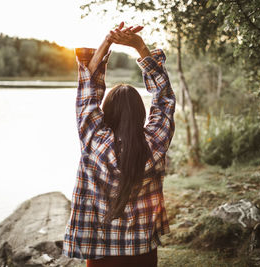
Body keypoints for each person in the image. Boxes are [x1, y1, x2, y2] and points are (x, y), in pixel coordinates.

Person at [62, 22, 176, 267]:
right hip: (142, 251)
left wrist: (106, 42)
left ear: (107, 113)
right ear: (140, 114)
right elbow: (164, 98)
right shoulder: (155, 142)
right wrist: (140, 47)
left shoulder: (94, 140)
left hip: (100, 252)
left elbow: (88, 89)